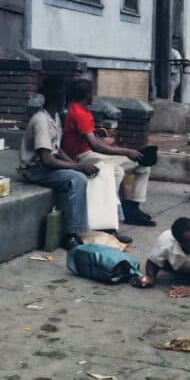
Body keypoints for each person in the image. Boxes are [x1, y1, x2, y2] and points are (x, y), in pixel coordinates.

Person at [18, 76, 98, 251]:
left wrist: (76, 164)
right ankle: (71, 235)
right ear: (60, 99)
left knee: (81, 175)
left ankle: (82, 229)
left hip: (45, 165)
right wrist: (78, 167)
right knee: (77, 179)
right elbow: (46, 159)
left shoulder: (54, 117)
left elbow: (57, 150)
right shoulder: (41, 120)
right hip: (34, 169)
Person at [62, 79, 155, 227]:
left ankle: (132, 209)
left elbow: (89, 139)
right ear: (87, 94)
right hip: (83, 157)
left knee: (143, 166)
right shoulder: (79, 113)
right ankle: (111, 210)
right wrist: (126, 151)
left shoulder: (78, 109)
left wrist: (104, 140)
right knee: (118, 170)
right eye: (92, 92)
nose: (93, 95)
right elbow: (95, 147)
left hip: (89, 153)